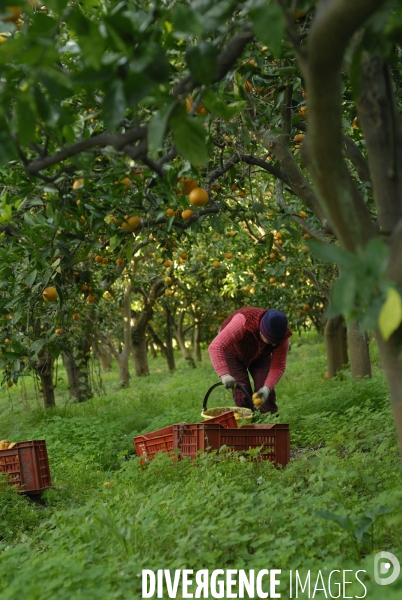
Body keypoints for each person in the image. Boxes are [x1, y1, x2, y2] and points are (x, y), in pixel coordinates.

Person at [208, 307, 292, 414]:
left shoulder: (281, 337)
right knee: (241, 391)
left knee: (264, 392)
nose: (274, 345)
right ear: (262, 332)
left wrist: (267, 388)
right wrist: (224, 374)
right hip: (233, 351)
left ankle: (270, 424)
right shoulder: (242, 322)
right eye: (271, 341)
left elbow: (278, 366)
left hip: (261, 354)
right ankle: (248, 423)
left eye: (277, 341)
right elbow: (215, 346)